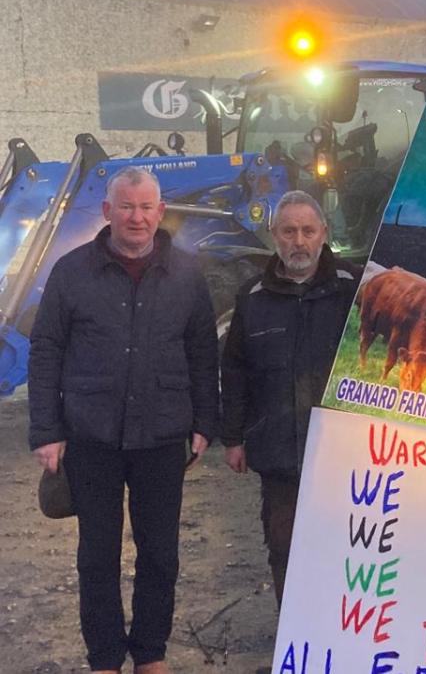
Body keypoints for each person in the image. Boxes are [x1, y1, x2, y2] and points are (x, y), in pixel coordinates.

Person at [28, 166, 219, 674]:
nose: (137, 217)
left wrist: (205, 421)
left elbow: (203, 352)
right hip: (91, 436)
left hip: (161, 436)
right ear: (109, 212)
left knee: (160, 554)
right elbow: (45, 350)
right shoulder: (71, 273)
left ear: (160, 212)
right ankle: (106, 658)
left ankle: (150, 653)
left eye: (146, 207)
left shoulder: (185, 275)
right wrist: (47, 431)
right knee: (97, 557)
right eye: (127, 207)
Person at [220, 190, 361, 610]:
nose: (298, 241)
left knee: (344, 551)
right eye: (288, 231)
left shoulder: (353, 290)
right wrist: (233, 437)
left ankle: (338, 650)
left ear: (324, 234)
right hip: (278, 450)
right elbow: (236, 369)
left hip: (343, 453)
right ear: (273, 236)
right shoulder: (253, 296)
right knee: (283, 548)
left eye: (307, 231)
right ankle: (294, 652)